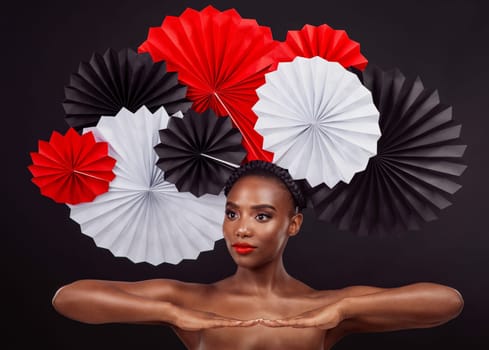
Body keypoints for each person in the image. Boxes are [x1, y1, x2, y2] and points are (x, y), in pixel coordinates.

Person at [52, 160, 464, 350]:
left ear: (293, 224)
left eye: (262, 215)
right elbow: (69, 297)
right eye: (232, 213)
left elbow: (446, 302)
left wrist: (343, 310)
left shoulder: (322, 307)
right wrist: (172, 315)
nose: (241, 228)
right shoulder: (192, 301)